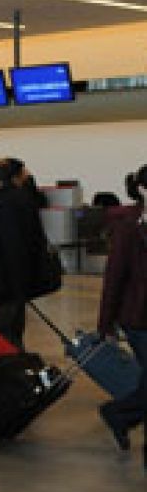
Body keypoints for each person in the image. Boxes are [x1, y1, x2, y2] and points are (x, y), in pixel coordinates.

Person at [97, 164, 147, 470]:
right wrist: (106, 323)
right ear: (142, 189)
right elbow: (114, 276)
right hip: (138, 316)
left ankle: (120, 414)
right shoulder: (128, 227)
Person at [0, 158, 47, 350]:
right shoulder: (18, 197)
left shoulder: (3, 203)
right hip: (14, 284)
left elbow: (10, 245)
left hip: (2, 284)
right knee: (11, 333)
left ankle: (11, 375)